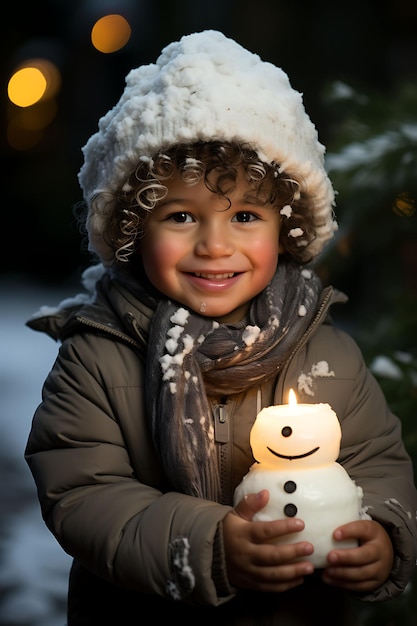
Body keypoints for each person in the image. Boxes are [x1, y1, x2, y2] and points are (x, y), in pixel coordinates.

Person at [25, 30, 417, 626]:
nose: (214, 245)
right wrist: (210, 545)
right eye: (180, 215)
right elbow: (83, 495)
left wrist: (383, 535)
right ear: (134, 231)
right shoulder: (99, 358)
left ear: (283, 229)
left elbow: (379, 463)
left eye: (244, 216)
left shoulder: (325, 353)